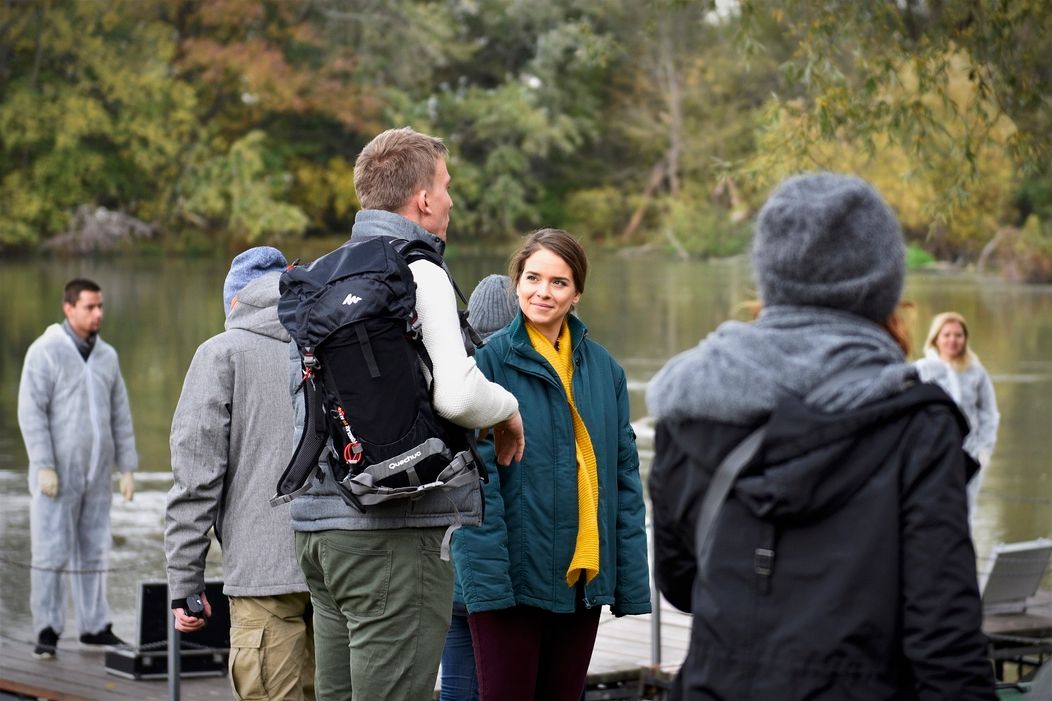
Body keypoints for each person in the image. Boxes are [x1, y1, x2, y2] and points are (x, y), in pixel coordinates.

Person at [646, 173, 996, 700]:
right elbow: (943, 639)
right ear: (885, 285)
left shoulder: (691, 402)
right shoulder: (917, 425)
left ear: (771, 276)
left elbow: (679, 582)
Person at [291, 126, 525, 701]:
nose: (450, 199)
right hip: (391, 534)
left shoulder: (321, 274)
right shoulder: (419, 271)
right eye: (445, 186)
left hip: (318, 529)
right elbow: (458, 396)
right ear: (422, 199)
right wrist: (510, 412)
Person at [452, 229, 652, 701]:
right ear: (516, 283)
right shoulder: (485, 365)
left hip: (581, 578)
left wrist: (625, 580)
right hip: (511, 578)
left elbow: (624, 481)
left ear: (577, 292)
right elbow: (475, 485)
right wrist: (489, 585)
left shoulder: (606, 370)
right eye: (533, 278)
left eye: (558, 282)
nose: (543, 292)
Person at [165, 247, 315, 701]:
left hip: (263, 576)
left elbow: (196, 479)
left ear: (234, 303)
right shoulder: (329, 339)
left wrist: (185, 584)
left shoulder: (221, 353)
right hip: (342, 567)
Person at [18, 278, 138, 659]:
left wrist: (128, 468)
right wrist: (44, 465)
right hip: (56, 475)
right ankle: (47, 631)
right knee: (50, 553)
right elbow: (30, 411)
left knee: (94, 551)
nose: (98, 313)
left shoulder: (108, 356)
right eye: (89, 307)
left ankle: (94, 626)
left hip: (97, 475)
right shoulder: (45, 352)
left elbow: (120, 414)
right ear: (68, 308)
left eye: (100, 306)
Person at [440, 273, 519, 701]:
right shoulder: (509, 384)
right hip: (495, 577)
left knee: (457, 685)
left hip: (448, 565)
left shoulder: (450, 379)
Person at [915, 311, 1000, 515]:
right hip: (932, 454)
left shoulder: (976, 372)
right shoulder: (921, 370)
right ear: (936, 338)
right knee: (931, 509)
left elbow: (989, 414)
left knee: (964, 510)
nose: (952, 340)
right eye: (947, 335)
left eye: (958, 335)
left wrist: (983, 450)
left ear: (965, 339)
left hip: (968, 454)